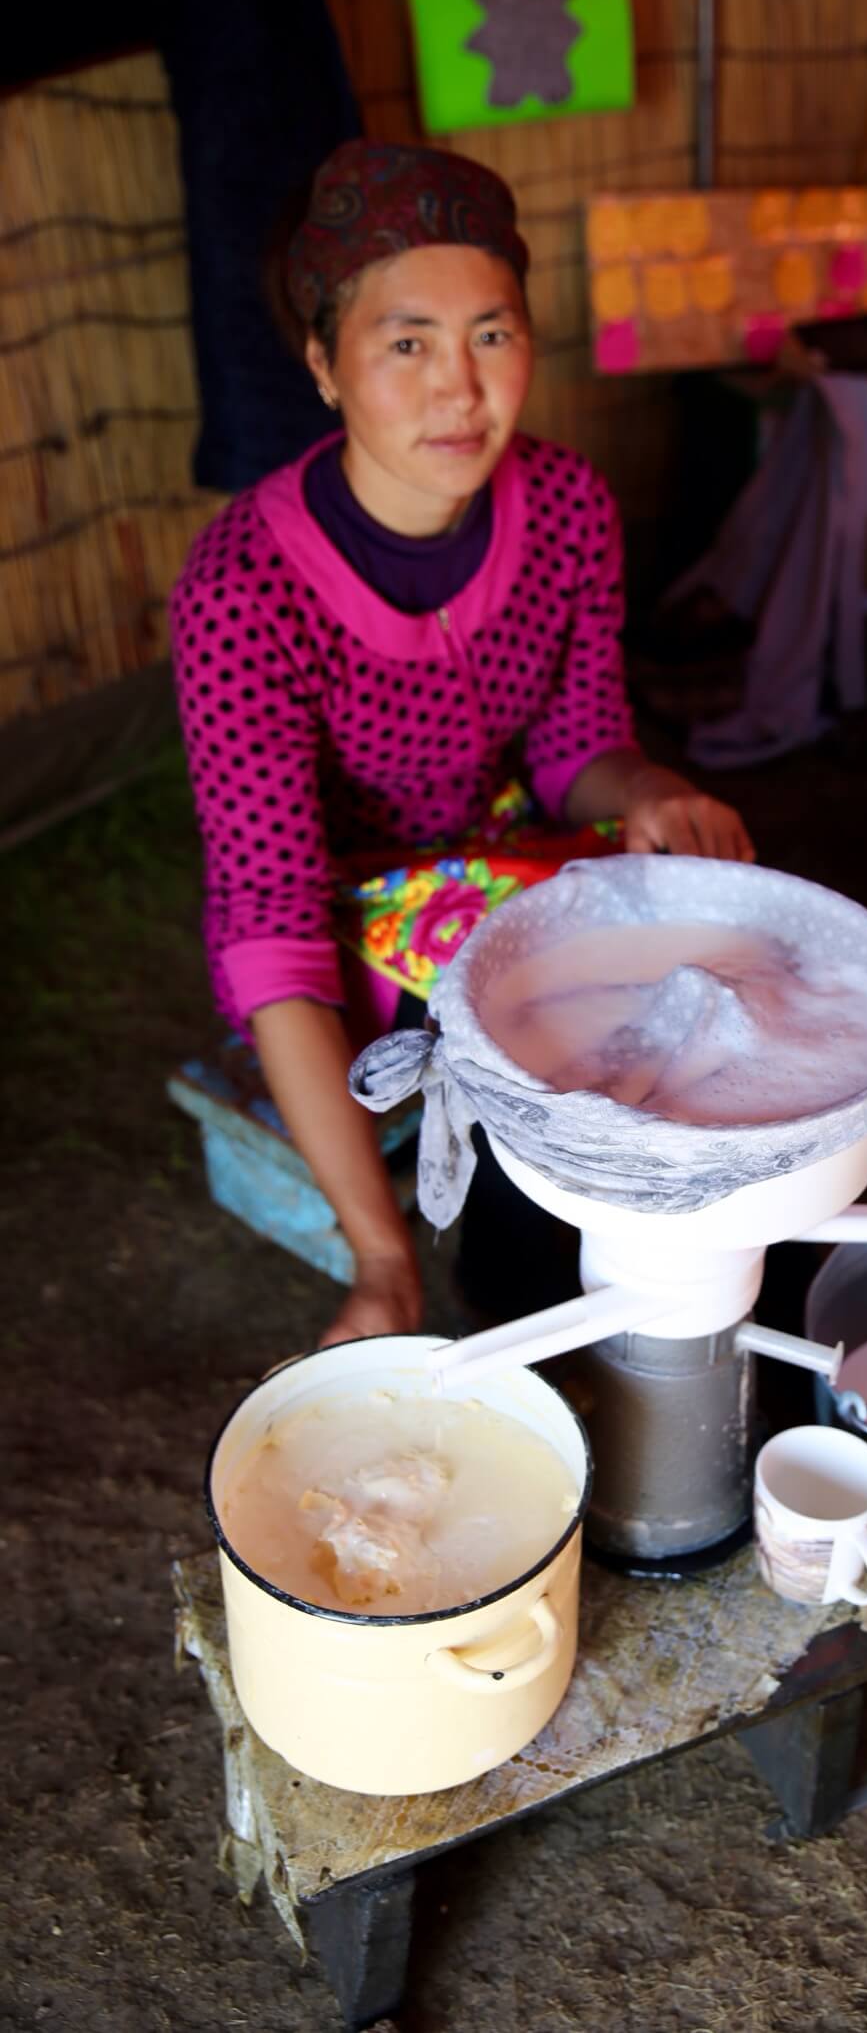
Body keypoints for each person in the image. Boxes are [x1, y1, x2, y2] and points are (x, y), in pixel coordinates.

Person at [171, 139, 754, 1348]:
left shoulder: (569, 507)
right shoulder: (244, 589)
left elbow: (578, 741)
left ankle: (672, 1244)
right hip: (349, 923)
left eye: (491, 335)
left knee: (709, 897)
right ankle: (515, 1269)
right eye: (407, 343)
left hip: (509, 851)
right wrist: (379, 1260)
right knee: (512, 974)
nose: (459, 389)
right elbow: (272, 930)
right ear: (323, 364)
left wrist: (644, 787)